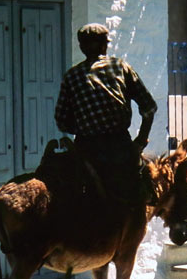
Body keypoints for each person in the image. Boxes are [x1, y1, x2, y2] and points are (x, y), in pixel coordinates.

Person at [54, 23, 157, 204]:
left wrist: (83, 126)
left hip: (86, 149)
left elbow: (62, 121)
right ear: (104, 45)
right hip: (121, 148)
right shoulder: (121, 67)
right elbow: (149, 107)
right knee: (142, 194)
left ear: (81, 47)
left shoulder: (71, 76)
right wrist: (140, 141)